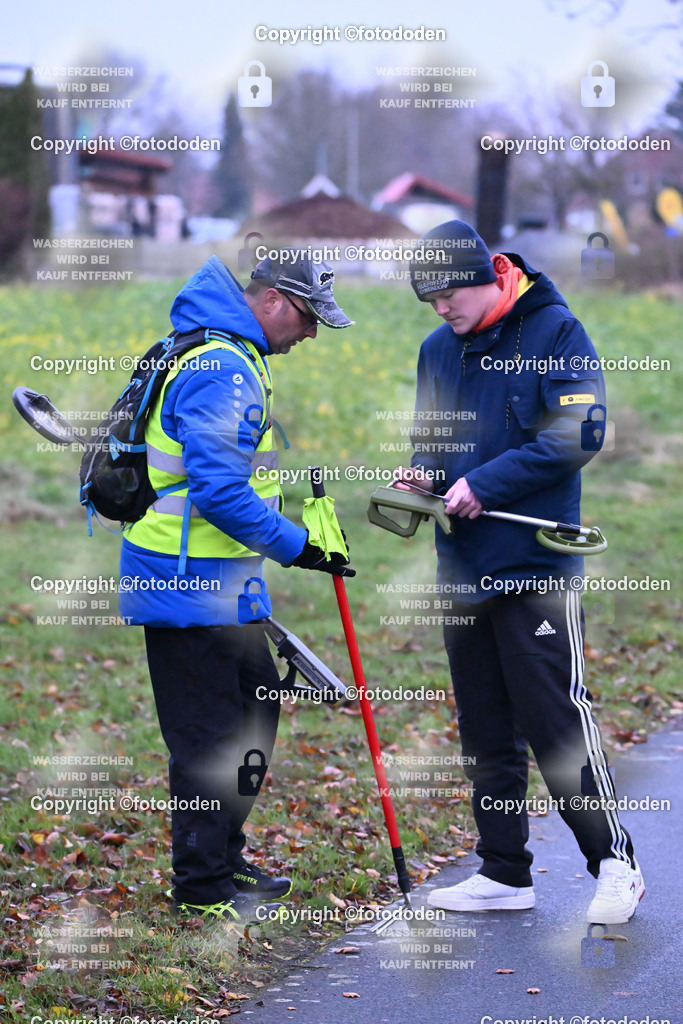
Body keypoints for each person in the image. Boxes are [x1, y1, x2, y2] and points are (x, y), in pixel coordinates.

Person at [397, 220, 643, 925]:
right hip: (461, 566)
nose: (440, 309)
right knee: (484, 724)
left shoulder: (554, 331)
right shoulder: (436, 350)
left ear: (487, 273)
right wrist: (423, 476)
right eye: (429, 300)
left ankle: (615, 865)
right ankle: (503, 872)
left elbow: (579, 431)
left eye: (447, 294)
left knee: (554, 717)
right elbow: (433, 439)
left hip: (536, 565)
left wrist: (486, 484)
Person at [118, 251, 354, 920]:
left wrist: (293, 529)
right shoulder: (221, 366)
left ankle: (223, 859)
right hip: (184, 584)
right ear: (274, 300)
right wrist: (298, 548)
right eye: (308, 320)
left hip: (224, 585)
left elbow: (235, 480)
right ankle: (200, 890)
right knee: (208, 739)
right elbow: (218, 491)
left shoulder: (228, 355)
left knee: (251, 720)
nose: (308, 336)